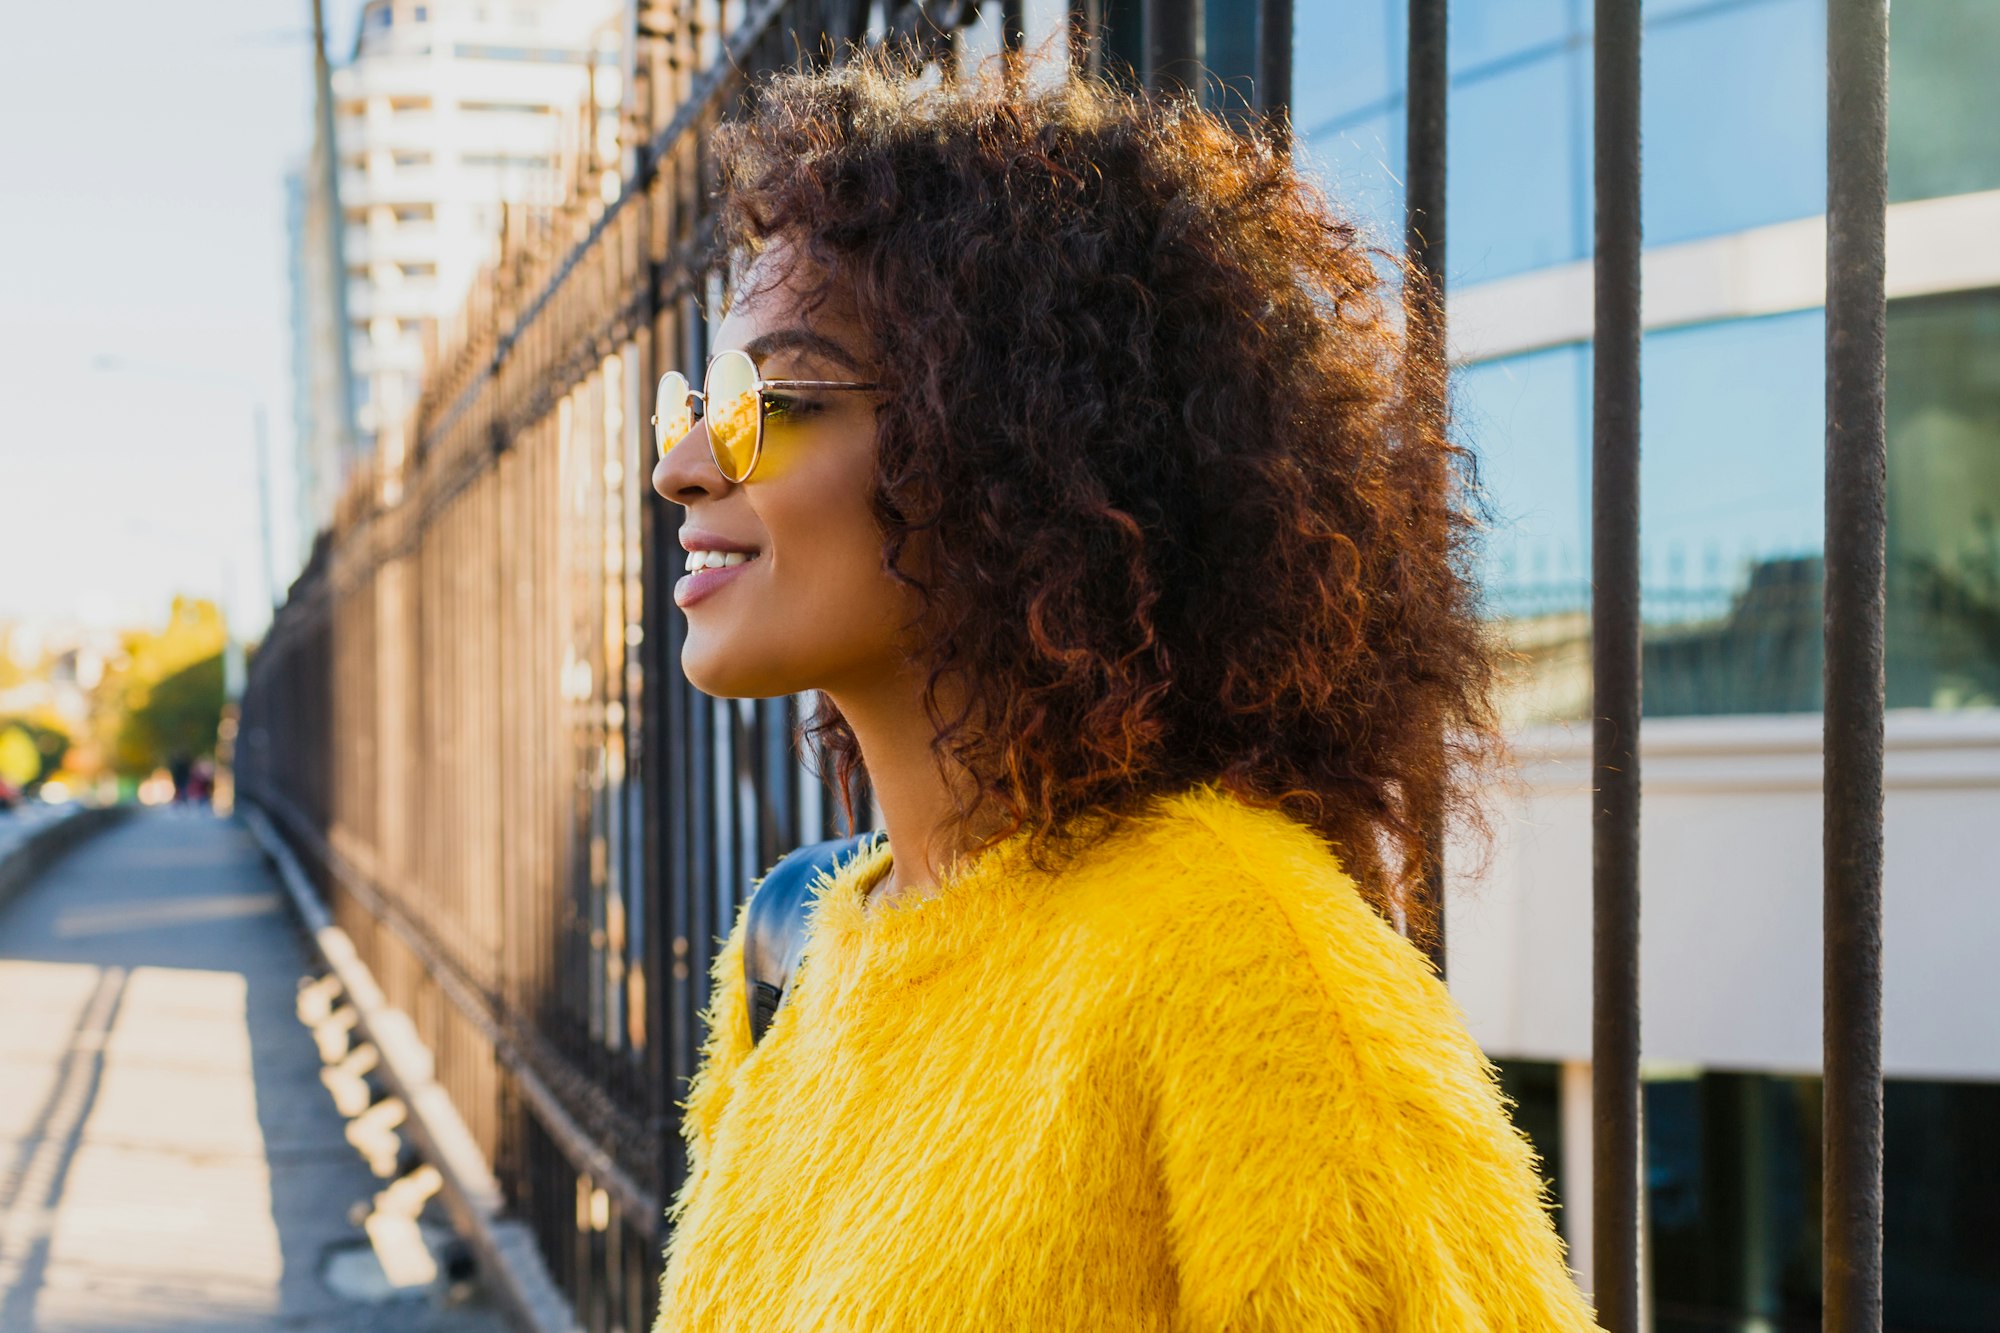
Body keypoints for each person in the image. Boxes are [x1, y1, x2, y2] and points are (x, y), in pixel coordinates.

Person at [649, 50, 1601, 1332]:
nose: (684, 466)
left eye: (767, 398)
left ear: (1003, 443)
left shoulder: (1244, 960)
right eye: (694, 403)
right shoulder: (800, 948)